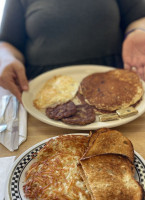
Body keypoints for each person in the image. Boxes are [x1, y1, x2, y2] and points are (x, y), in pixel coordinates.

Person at [0, 0, 145, 102]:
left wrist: (138, 31)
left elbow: (139, 17)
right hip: (42, 92)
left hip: (114, 86)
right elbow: (8, 42)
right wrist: (6, 59)